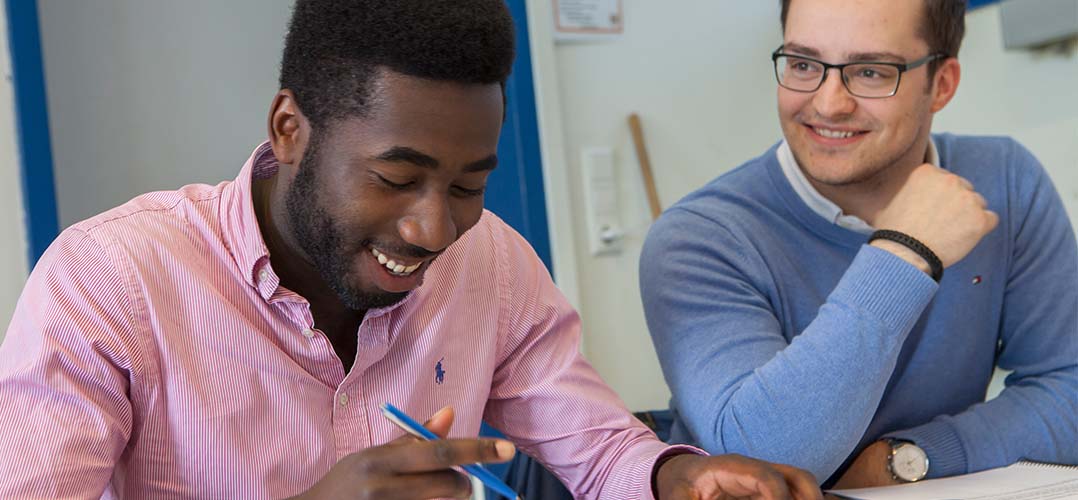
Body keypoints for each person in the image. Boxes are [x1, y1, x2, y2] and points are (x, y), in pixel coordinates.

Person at [0, 1, 822, 499]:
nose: (434, 231)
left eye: (469, 185)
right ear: (290, 130)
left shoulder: (492, 264)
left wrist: (676, 479)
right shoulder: (109, 281)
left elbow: (601, 447)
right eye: (398, 177)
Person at [640, 0, 1077, 490]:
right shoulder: (699, 238)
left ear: (943, 84)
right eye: (803, 64)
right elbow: (763, 461)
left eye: (870, 72)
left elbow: (1070, 386)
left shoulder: (1006, 181)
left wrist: (906, 459)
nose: (828, 104)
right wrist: (905, 250)